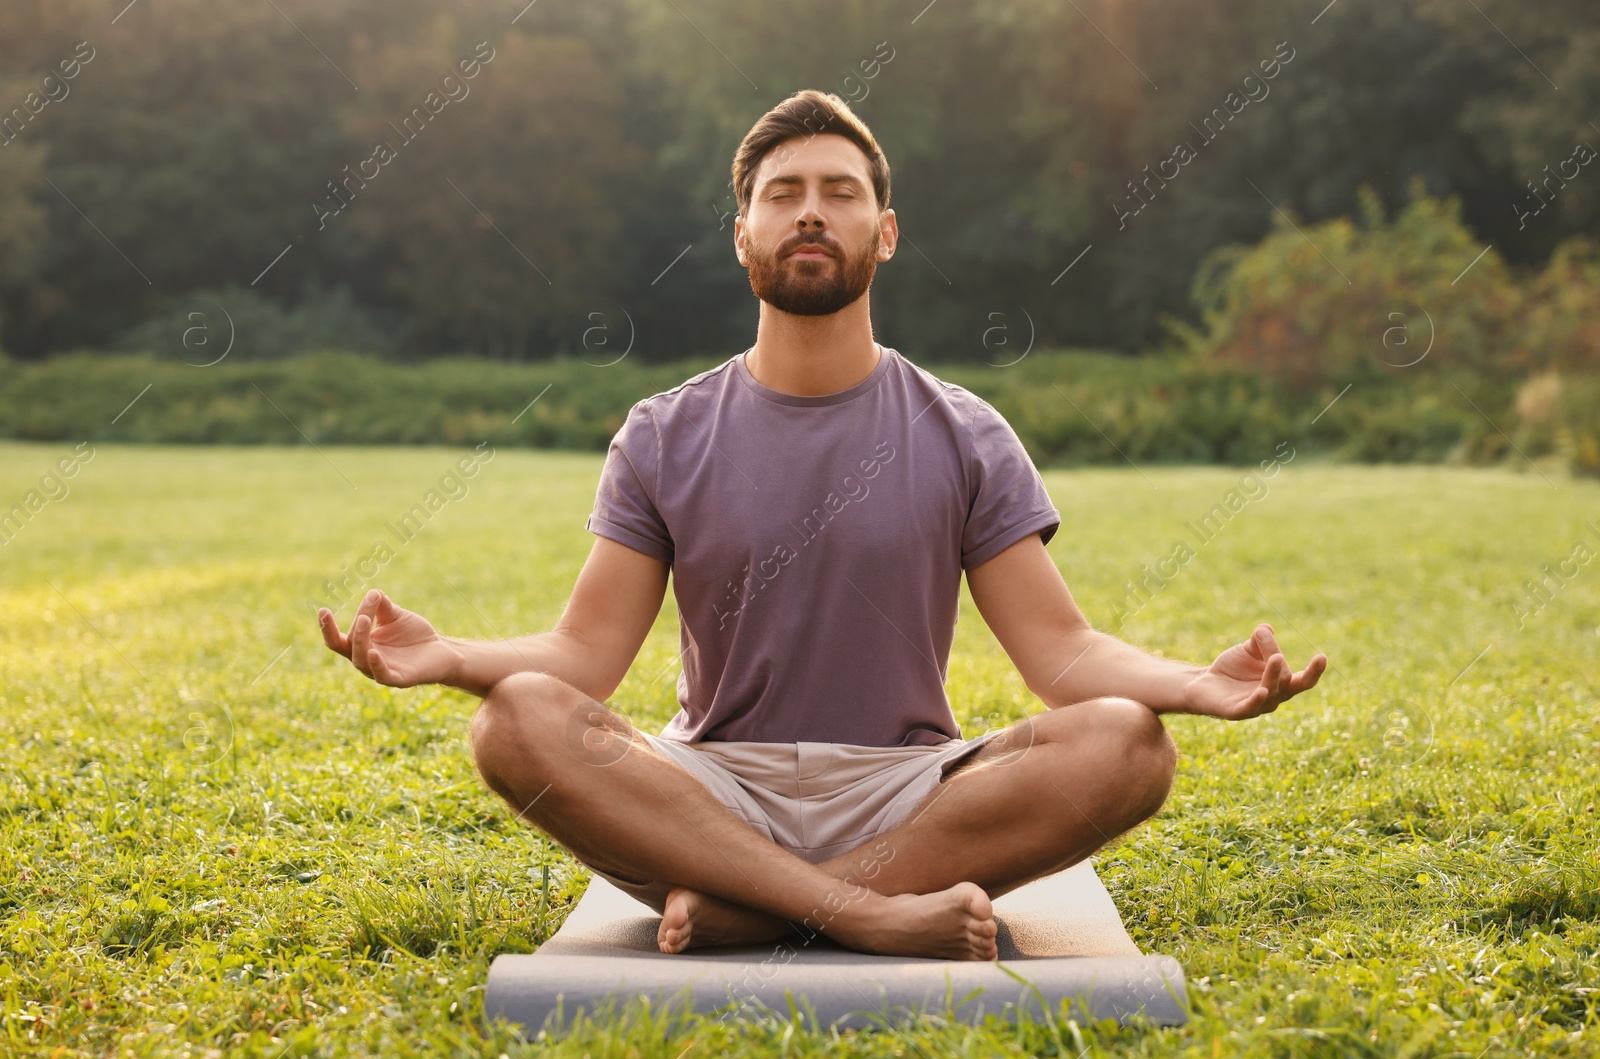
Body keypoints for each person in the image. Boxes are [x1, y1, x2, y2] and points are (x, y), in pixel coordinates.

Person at [318, 89, 1326, 962]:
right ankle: (858, 912)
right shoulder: (662, 432)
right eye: (783, 195)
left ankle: (756, 916)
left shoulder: (965, 430)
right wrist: (450, 655)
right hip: (707, 795)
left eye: (840, 193)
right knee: (515, 719)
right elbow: (583, 654)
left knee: (1129, 745)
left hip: (909, 796)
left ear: (883, 233)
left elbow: (1059, 654)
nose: (812, 213)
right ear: (742, 235)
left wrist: (1193, 684)